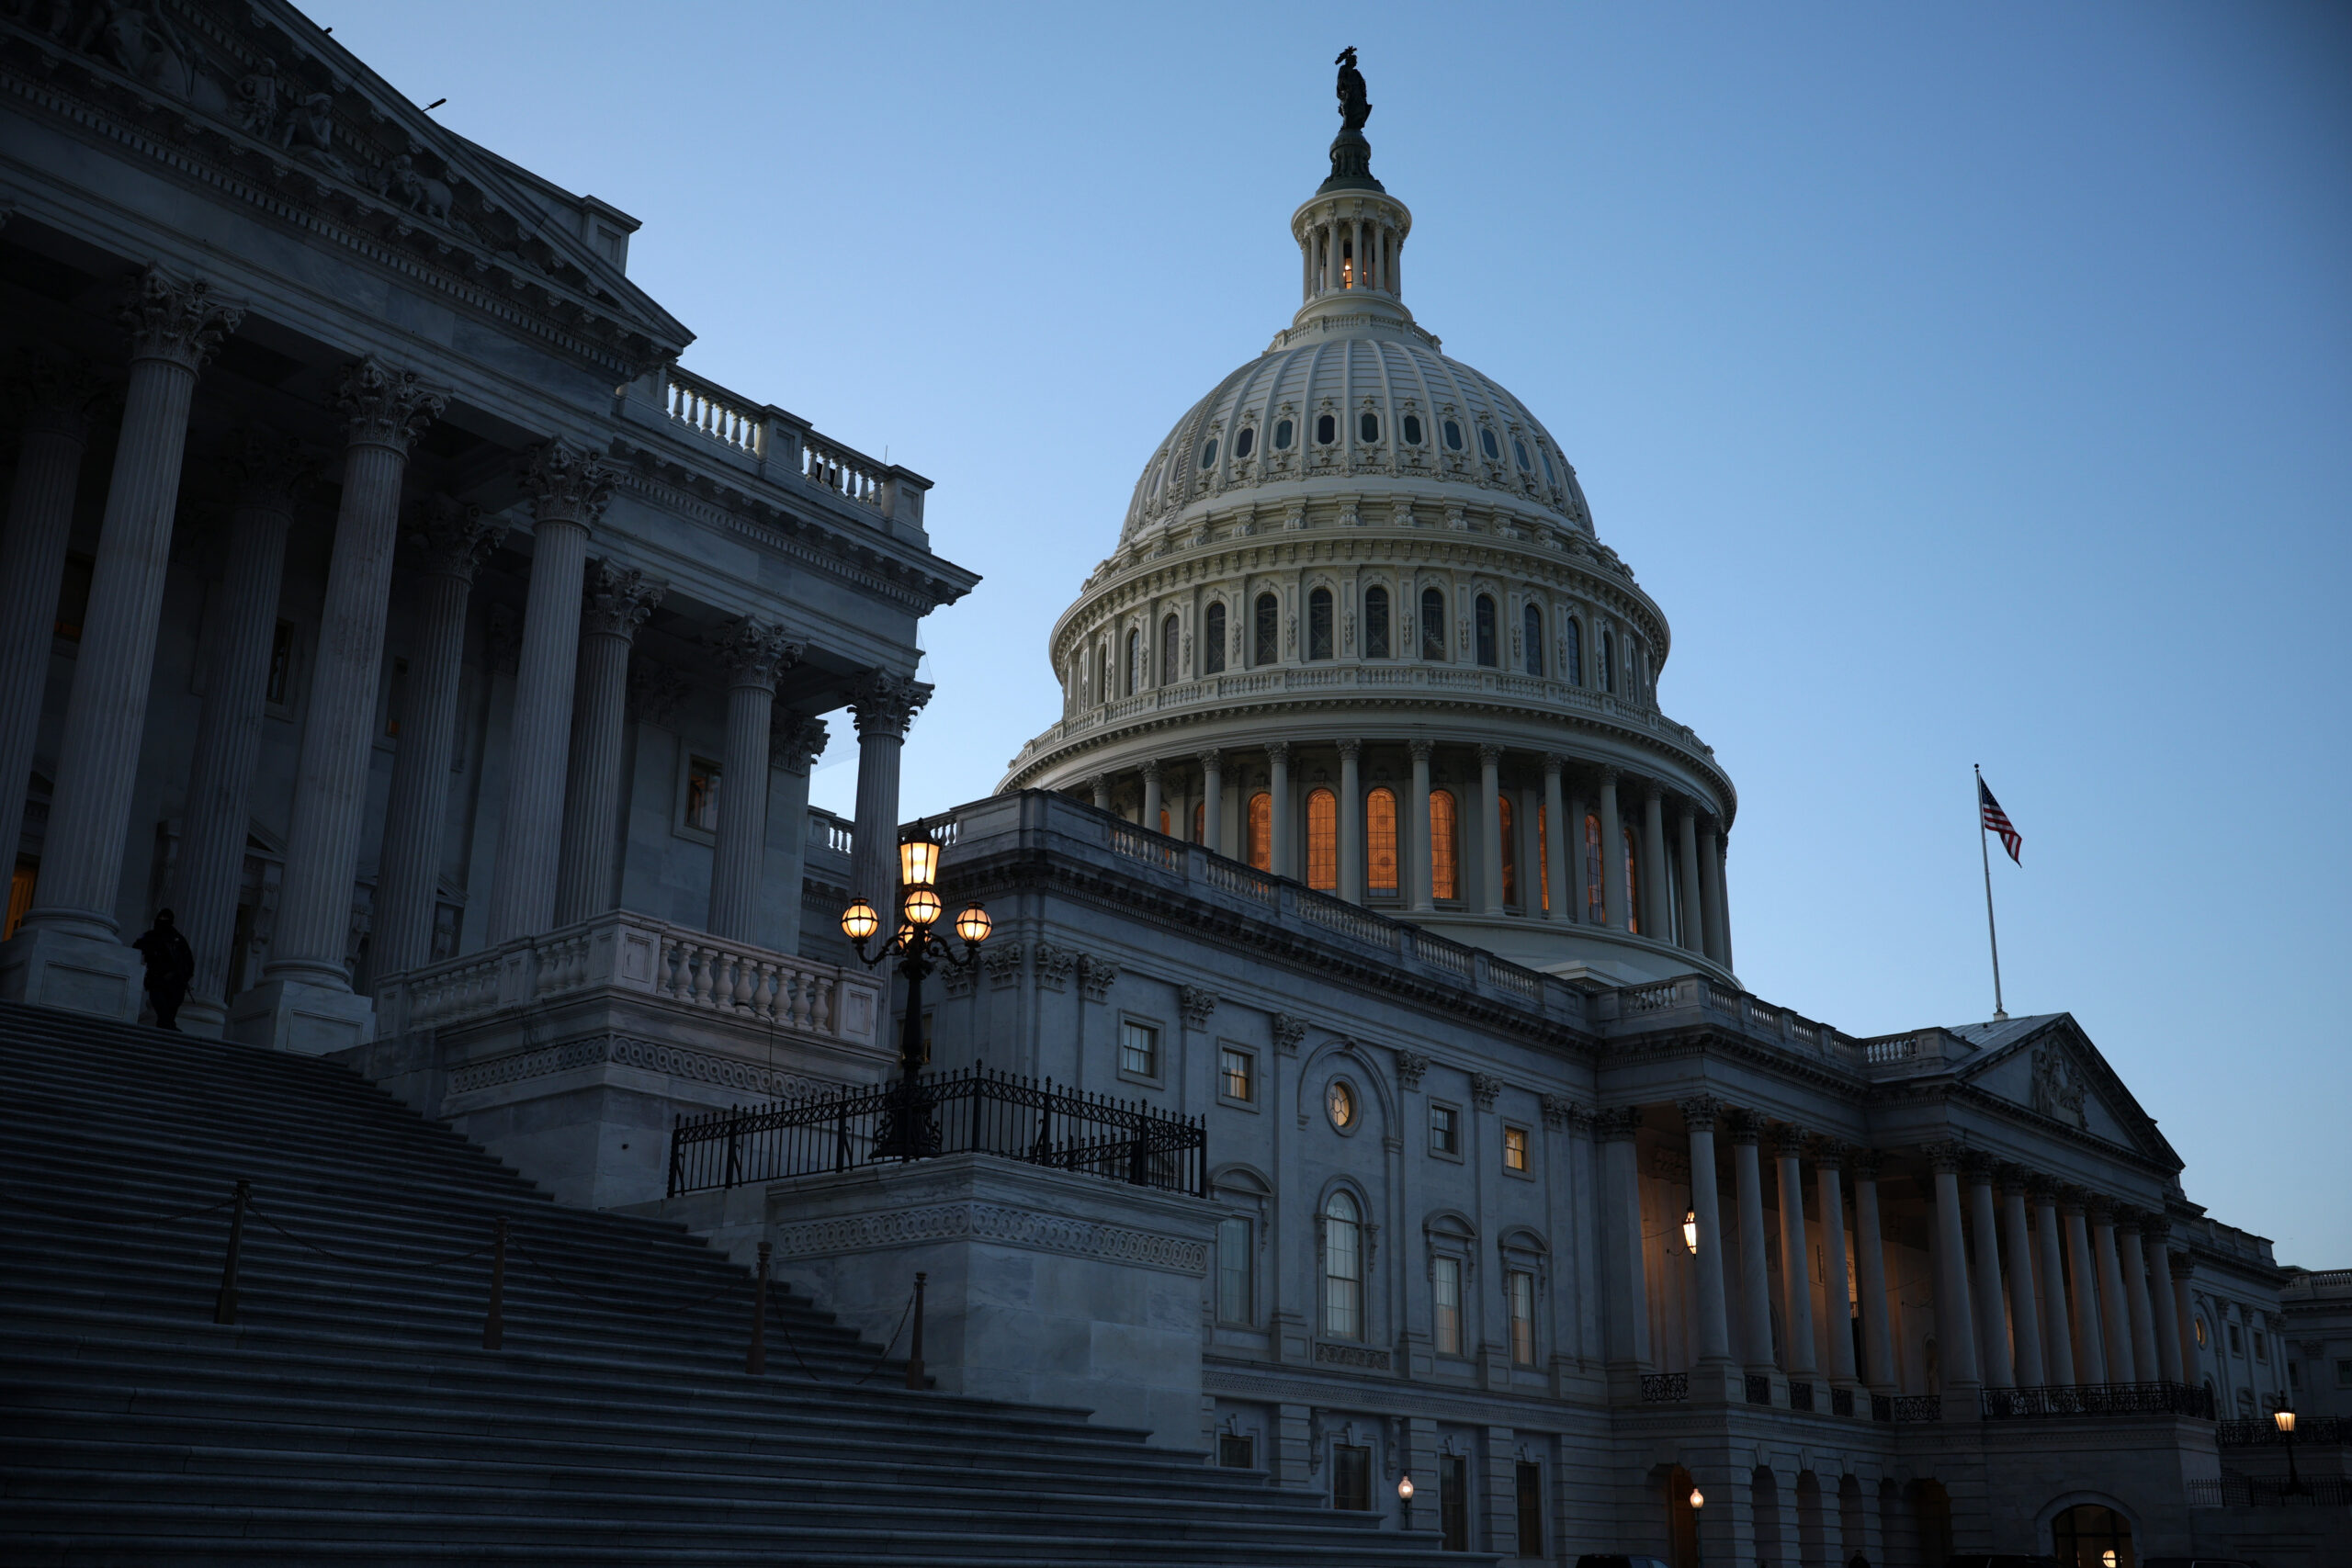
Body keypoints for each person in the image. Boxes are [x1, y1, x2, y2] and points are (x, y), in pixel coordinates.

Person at [131, 908, 196, 1032]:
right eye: (161, 919)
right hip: (157, 979)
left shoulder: (179, 940)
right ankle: (168, 1026)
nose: (162, 921)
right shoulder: (150, 936)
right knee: (161, 1007)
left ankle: (167, 1027)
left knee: (172, 1007)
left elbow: (188, 961)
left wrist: (184, 976)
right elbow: (136, 948)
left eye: (165, 919)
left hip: (176, 981)